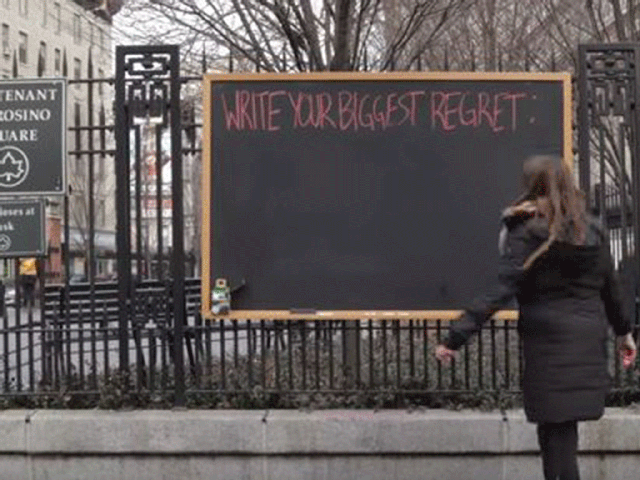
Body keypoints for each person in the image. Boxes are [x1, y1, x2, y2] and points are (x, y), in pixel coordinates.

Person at [435, 155, 637, 480]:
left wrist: (455, 337)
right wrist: (624, 334)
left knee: (556, 433)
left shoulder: (525, 231)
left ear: (531, 185)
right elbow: (611, 288)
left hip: (547, 344)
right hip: (586, 341)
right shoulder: (592, 228)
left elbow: (500, 290)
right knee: (557, 432)